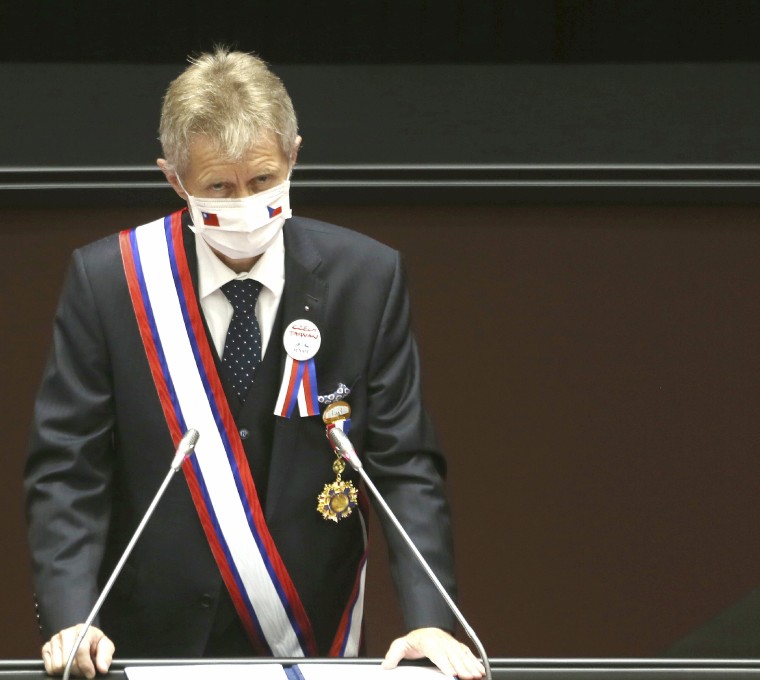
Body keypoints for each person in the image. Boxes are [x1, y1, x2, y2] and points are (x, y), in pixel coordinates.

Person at [24, 48, 484, 679]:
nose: (245, 204)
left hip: (309, 638)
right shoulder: (111, 284)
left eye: (264, 180)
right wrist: (73, 614)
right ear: (173, 179)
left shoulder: (367, 278)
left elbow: (404, 464)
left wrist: (430, 617)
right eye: (218, 187)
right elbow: (69, 470)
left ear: (294, 154)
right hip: (149, 647)